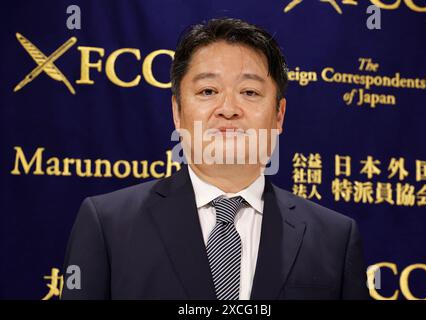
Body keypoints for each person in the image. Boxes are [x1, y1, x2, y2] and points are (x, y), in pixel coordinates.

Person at [62, 17, 369, 300]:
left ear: (279, 115)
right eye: (208, 91)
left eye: (249, 92)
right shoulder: (109, 225)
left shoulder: (333, 238)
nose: (228, 108)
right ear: (177, 112)